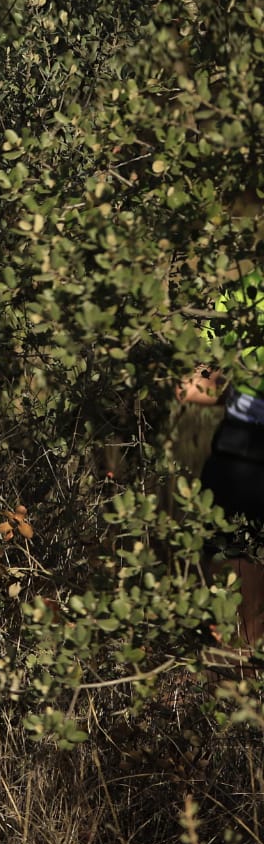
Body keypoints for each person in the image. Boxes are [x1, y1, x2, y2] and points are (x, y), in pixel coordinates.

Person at [182, 274, 264, 645]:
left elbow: (194, 384)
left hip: (238, 458)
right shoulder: (242, 289)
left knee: (227, 599)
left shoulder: (243, 289)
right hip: (241, 458)